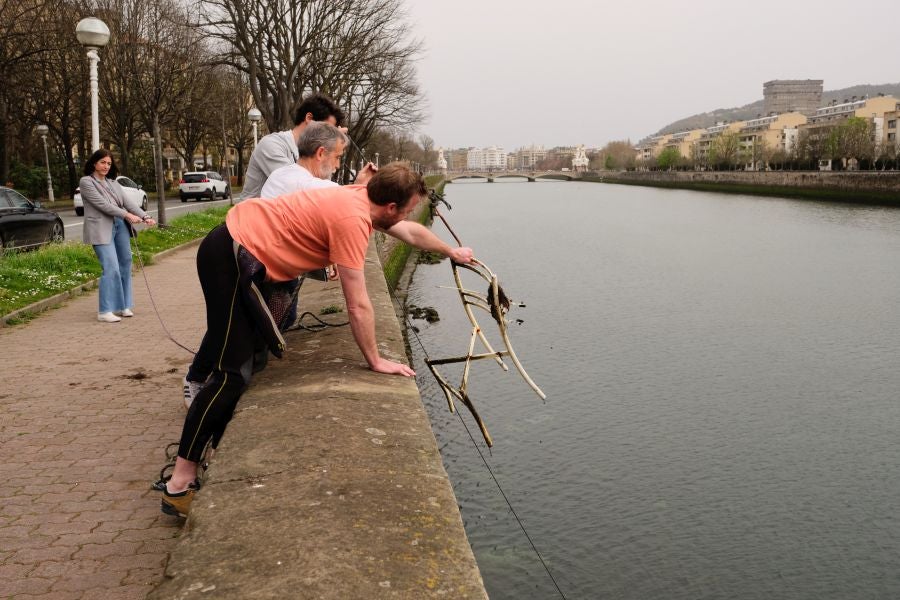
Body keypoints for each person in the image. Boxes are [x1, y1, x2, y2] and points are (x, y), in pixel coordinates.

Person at [161, 163, 474, 517]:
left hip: (238, 247)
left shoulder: (362, 194)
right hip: (231, 255)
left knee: (254, 357)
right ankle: (179, 483)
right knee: (230, 372)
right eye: (408, 209)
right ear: (390, 207)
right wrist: (375, 360)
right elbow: (357, 303)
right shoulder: (352, 221)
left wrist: (452, 251)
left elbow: (412, 234)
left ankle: (212, 451)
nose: (409, 215)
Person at [80, 149, 156, 323]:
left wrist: (146, 216)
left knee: (125, 263)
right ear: (94, 163)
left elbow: (129, 203)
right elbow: (103, 205)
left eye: (108, 163)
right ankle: (104, 310)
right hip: (101, 228)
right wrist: (127, 215)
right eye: (102, 162)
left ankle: (124, 305)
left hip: (120, 227)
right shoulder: (86, 182)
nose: (106, 166)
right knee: (111, 267)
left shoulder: (114, 183)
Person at [240, 94, 346, 200]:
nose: (329, 134)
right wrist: (332, 148)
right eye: (327, 128)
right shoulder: (271, 145)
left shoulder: (310, 152)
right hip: (252, 214)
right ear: (309, 118)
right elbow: (298, 186)